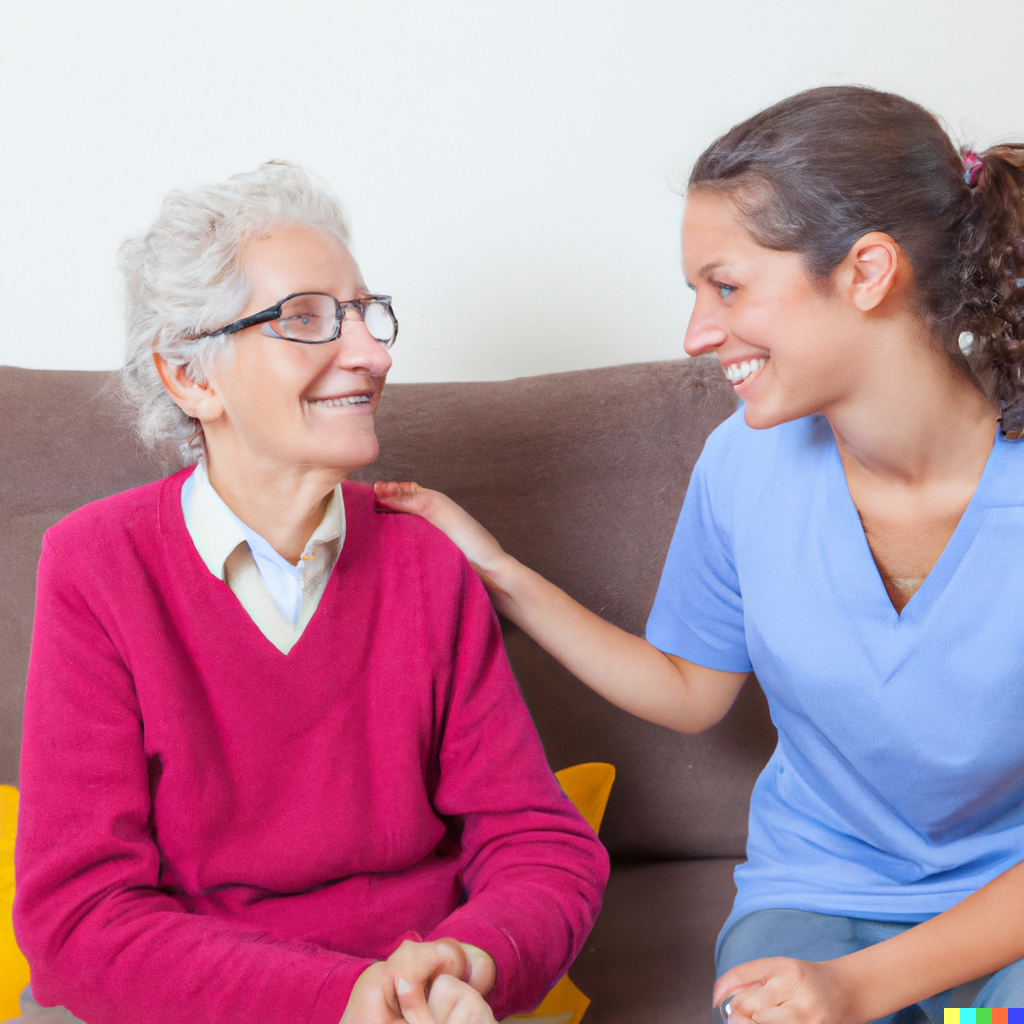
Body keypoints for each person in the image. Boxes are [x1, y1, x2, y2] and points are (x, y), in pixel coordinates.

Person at [374, 86, 1024, 1024]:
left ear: (868, 271)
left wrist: (861, 990)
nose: (696, 335)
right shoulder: (744, 462)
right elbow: (689, 687)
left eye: (726, 286)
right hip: (818, 898)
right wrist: (500, 575)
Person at [12, 161, 608, 1024]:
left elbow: (542, 844)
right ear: (191, 376)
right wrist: (344, 1000)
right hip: (191, 1001)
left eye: (366, 313)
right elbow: (78, 921)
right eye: (306, 319)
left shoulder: (424, 561)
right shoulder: (95, 565)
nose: (372, 352)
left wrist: (468, 965)